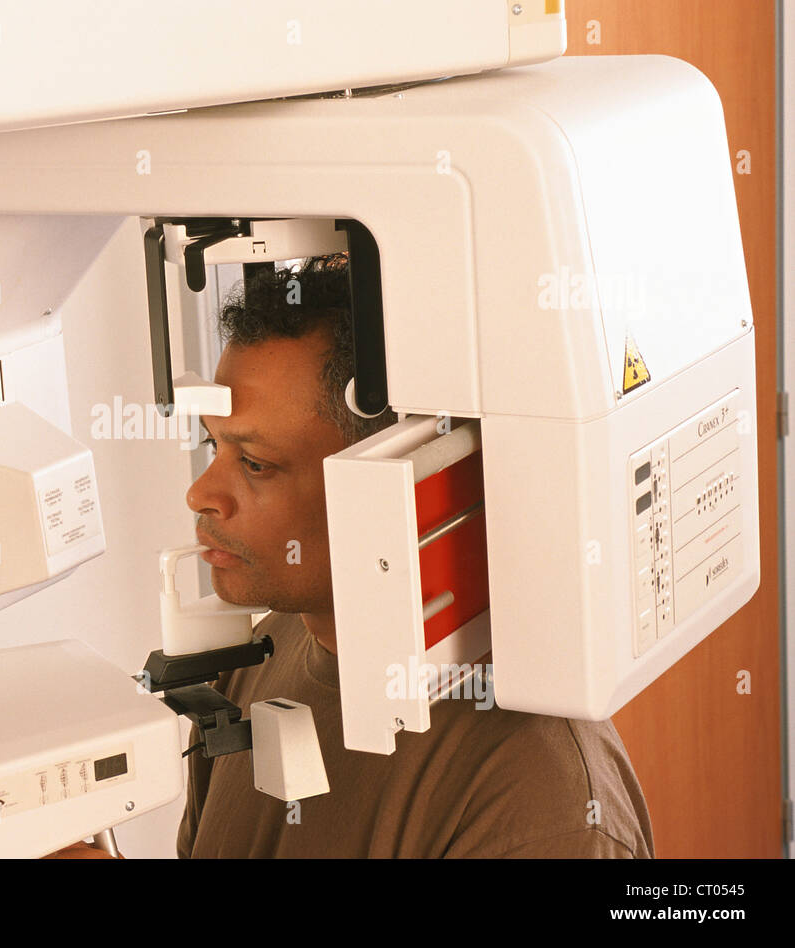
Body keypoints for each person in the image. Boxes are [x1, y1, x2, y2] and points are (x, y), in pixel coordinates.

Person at [53, 255, 654, 859]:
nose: (201, 494)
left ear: (403, 477)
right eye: (214, 444)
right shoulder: (256, 661)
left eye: (256, 464)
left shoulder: (542, 802)